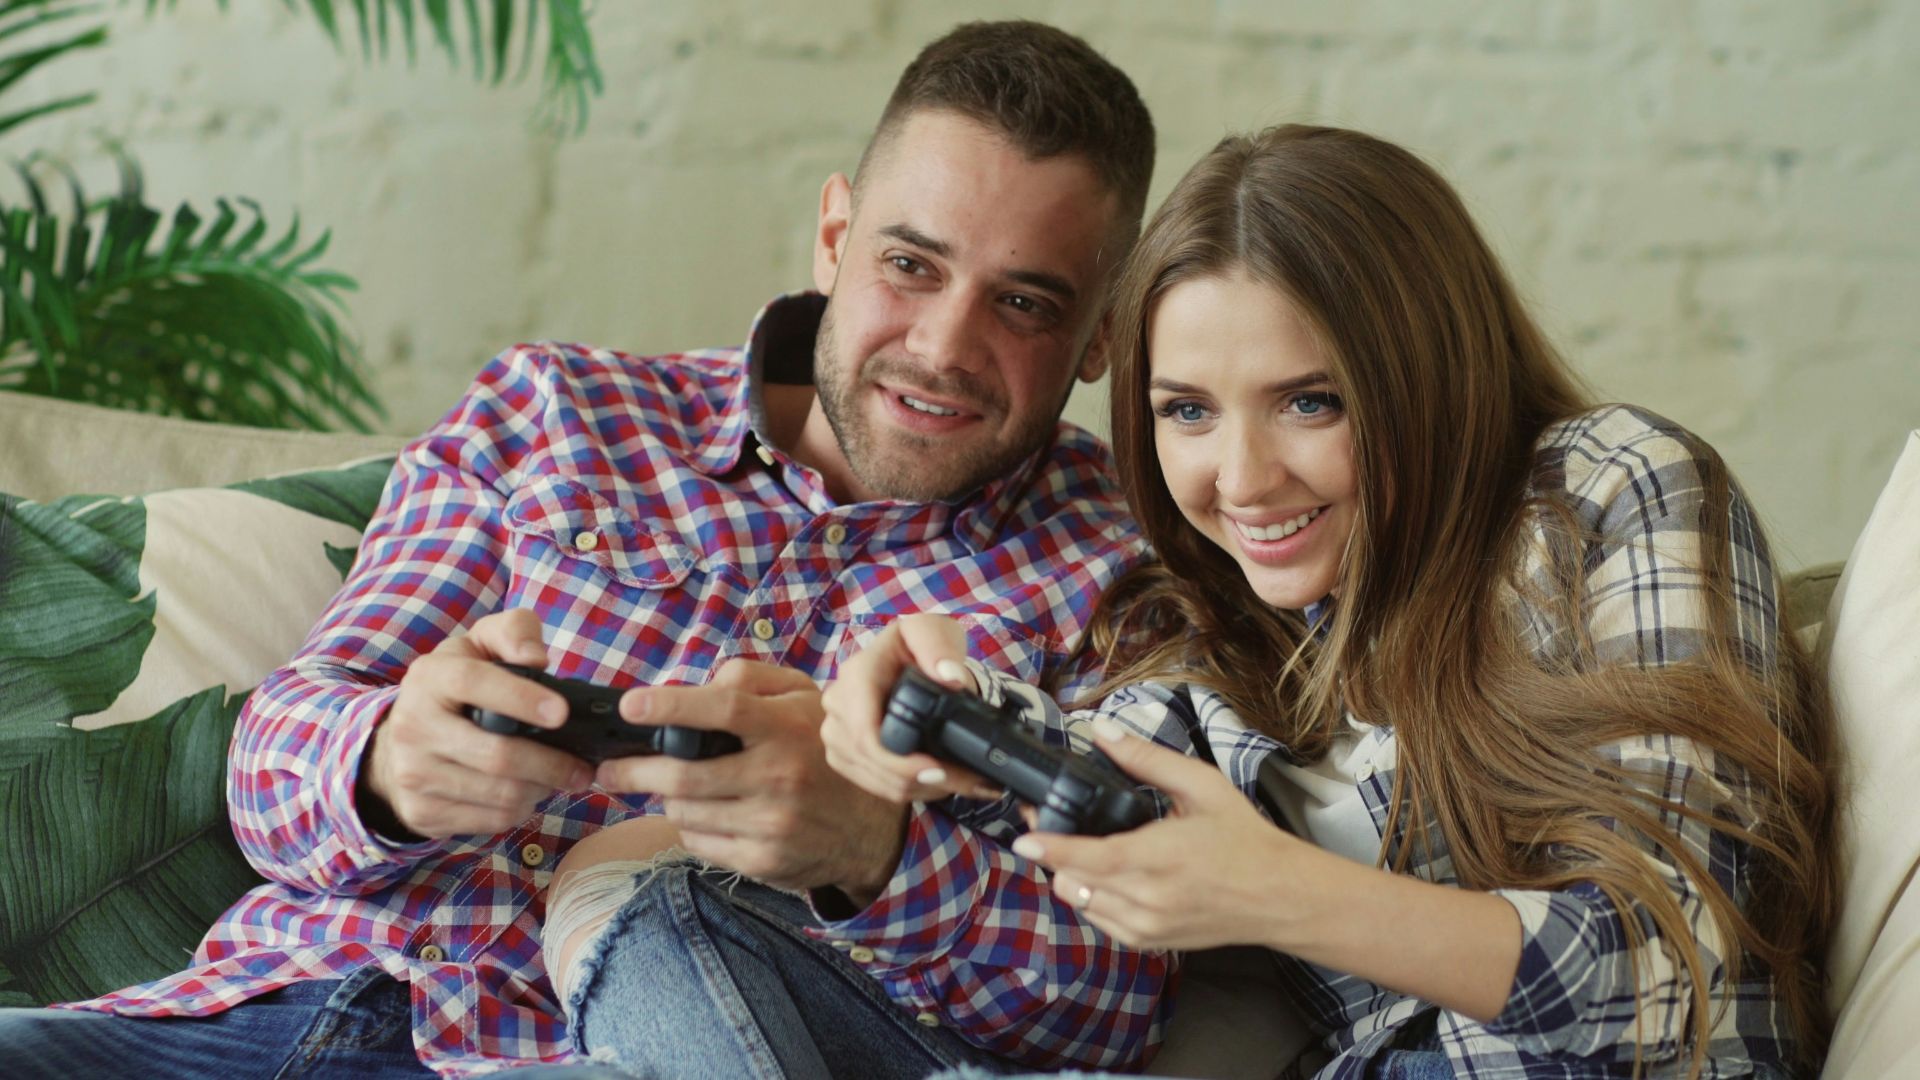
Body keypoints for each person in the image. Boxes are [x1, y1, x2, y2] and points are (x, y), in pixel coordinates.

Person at [0, 20, 1161, 1079]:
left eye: (1023, 305)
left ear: (1101, 334)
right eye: (910, 264)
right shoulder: (561, 411)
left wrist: (875, 852)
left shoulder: (1117, 570)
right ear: (835, 234)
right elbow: (270, 766)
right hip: (269, 1013)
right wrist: (389, 765)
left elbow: (1114, 998)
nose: (944, 346)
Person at [821, 124, 1839, 1079]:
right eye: (1187, 412)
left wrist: (1278, 889)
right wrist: (945, 716)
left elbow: (1673, 967)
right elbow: (1092, 776)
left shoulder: (1608, 487)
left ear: (1426, 374)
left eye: (1311, 401)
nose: (1244, 479)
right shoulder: (1218, 628)